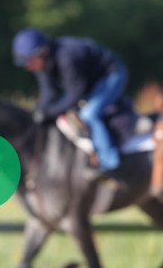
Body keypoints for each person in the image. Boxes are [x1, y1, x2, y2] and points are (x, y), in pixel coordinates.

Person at [12, 27, 128, 175]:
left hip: (112, 75)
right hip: (89, 83)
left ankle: (109, 163)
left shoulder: (68, 56)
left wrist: (49, 112)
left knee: (89, 114)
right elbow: (49, 94)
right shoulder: (43, 65)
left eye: (29, 62)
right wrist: (38, 112)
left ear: (43, 52)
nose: (27, 67)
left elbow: (75, 95)